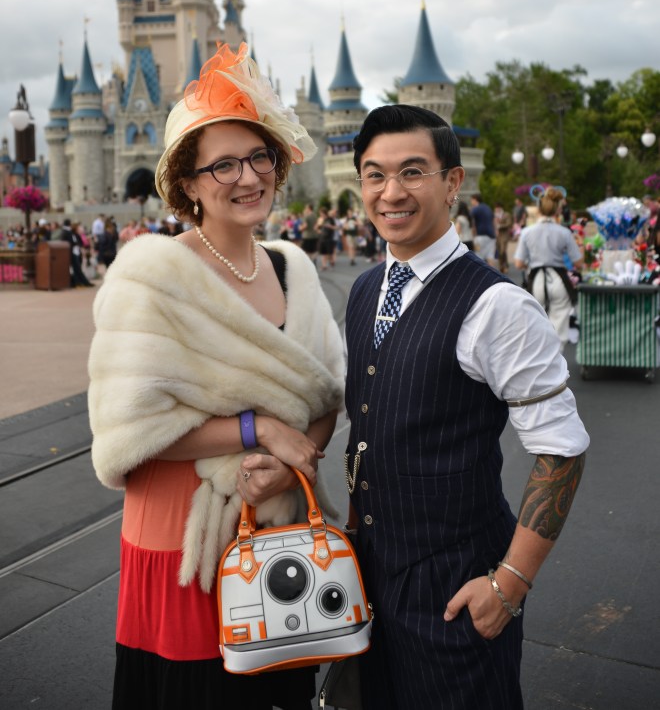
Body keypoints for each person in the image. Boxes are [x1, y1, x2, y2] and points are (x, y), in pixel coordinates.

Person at [88, 43, 345, 710]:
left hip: (275, 535)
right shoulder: (151, 275)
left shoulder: (293, 268)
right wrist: (259, 431)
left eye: (259, 157)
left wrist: (290, 462)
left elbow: (325, 397)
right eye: (223, 164)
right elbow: (128, 433)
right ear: (189, 182)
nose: (247, 176)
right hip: (183, 547)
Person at [343, 105, 589, 710]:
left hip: (457, 586)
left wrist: (509, 584)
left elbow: (561, 449)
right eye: (375, 175)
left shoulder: (498, 306)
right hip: (370, 579)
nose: (390, 192)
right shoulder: (366, 289)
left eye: (412, 172)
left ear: (453, 182)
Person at [514, 187, 584, 351]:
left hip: (536, 280)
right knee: (559, 330)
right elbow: (578, 263)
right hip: (559, 280)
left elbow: (518, 263)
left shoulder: (527, 232)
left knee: (536, 325)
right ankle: (557, 361)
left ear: (539, 209)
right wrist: (581, 246)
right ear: (557, 209)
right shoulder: (564, 232)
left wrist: (530, 264)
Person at [470, 191, 497, 266]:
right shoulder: (488, 207)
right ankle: (492, 273)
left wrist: (473, 235)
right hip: (491, 236)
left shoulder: (475, 209)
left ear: (475, 199)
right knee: (490, 257)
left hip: (480, 236)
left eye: (471, 200)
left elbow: (472, 223)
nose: (471, 202)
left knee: (479, 257)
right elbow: (494, 221)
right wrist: (495, 232)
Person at [493, 202, 513, 274]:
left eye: (497, 208)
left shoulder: (506, 214)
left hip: (504, 235)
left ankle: (504, 266)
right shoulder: (494, 215)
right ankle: (502, 266)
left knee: (503, 251)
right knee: (499, 252)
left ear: (500, 208)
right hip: (497, 236)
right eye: (496, 208)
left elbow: (509, 223)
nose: (496, 209)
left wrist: (500, 226)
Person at [316, 206, 337, 270]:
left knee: (329, 253)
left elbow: (335, 227)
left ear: (324, 213)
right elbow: (316, 228)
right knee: (323, 253)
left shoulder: (330, 219)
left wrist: (330, 226)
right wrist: (319, 231)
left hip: (329, 238)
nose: (320, 214)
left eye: (321, 213)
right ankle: (324, 265)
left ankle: (331, 261)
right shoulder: (320, 219)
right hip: (322, 238)